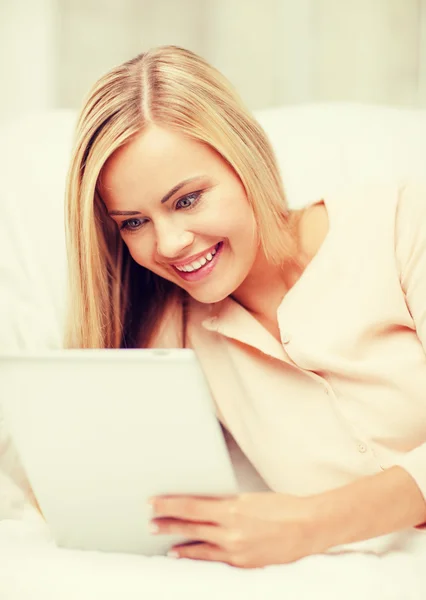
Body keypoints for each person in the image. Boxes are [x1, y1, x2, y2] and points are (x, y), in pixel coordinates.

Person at [65, 45, 426, 569]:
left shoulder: (401, 227)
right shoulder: (169, 332)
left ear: (246, 159)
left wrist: (312, 523)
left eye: (186, 200)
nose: (168, 244)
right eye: (133, 222)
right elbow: (93, 493)